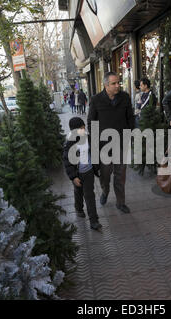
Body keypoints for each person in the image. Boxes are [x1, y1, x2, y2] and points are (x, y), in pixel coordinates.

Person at [87, 71, 135, 214]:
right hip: (104, 145)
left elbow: (130, 119)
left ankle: (121, 202)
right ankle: (105, 191)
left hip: (121, 143)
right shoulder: (96, 100)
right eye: (113, 83)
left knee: (120, 175)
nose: (117, 86)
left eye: (118, 82)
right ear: (106, 85)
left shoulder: (125, 97)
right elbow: (91, 122)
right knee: (105, 175)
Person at [63, 117, 102, 230]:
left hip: (88, 172)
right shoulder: (69, 143)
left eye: (83, 126)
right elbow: (67, 161)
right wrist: (73, 177)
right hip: (77, 174)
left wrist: (97, 167)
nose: (84, 129)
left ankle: (94, 220)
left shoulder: (88, 138)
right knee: (78, 192)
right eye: (81, 128)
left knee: (89, 195)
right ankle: (79, 208)